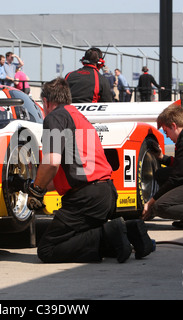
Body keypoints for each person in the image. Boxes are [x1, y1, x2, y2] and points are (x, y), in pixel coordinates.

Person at [27, 77, 154, 263]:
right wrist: (39, 185)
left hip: (86, 199)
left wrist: (36, 191)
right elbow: (72, 174)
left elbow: (52, 162)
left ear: (45, 102)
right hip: (105, 193)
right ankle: (131, 232)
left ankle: (110, 232)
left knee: (48, 249)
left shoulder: (55, 118)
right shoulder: (78, 117)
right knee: (81, 240)